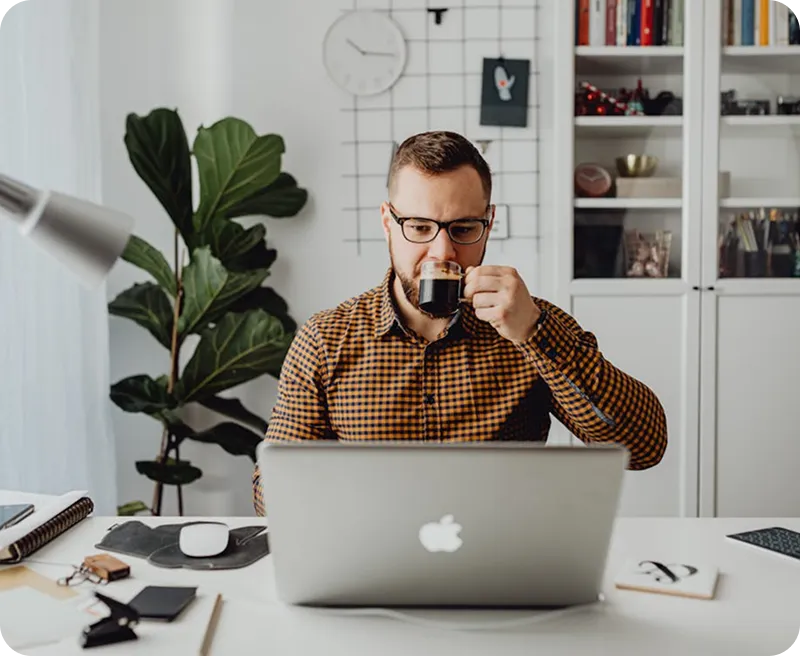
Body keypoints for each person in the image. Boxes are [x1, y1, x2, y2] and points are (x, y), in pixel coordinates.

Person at [251, 130, 667, 516]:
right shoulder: (327, 338)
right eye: (419, 227)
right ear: (386, 223)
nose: (442, 253)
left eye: (464, 228)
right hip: (372, 563)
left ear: (488, 224)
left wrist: (537, 335)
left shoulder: (531, 324)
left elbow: (645, 447)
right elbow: (272, 498)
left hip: (501, 568)